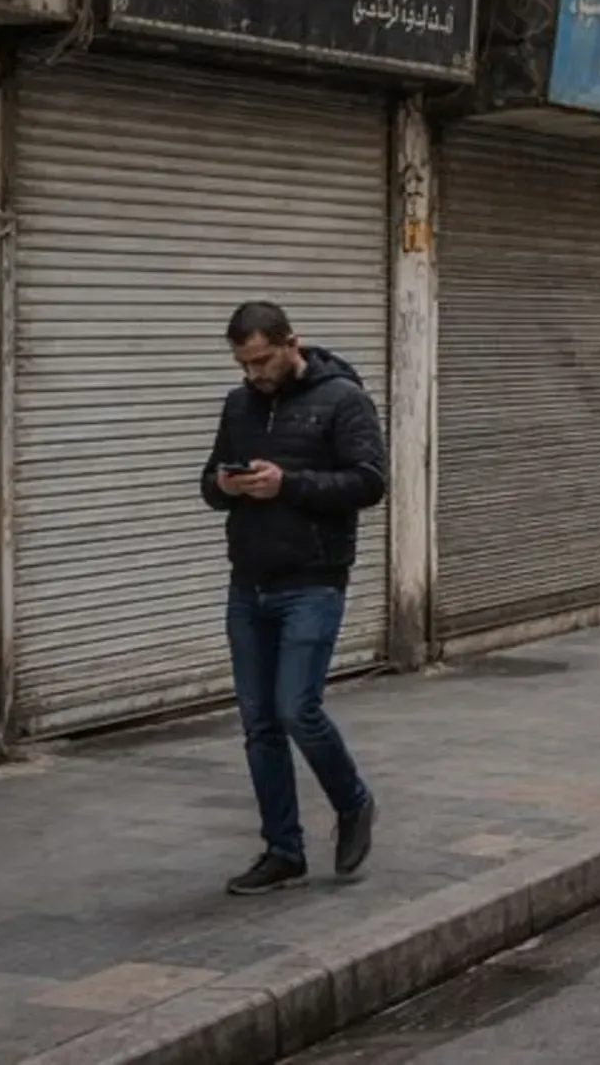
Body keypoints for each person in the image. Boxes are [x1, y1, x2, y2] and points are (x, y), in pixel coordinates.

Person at [201, 301, 384, 896]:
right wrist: (225, 485)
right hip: (248, 581)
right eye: (243, 364)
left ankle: (352, 801)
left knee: (295, 708)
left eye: (261, 361)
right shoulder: (239, 404)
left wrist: (288, 484)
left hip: (313, 580)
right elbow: (209, 484)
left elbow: (369, 482)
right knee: (259, 724)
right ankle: (283, 851)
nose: (253, 374)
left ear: (290, 344)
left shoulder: (343, 400)